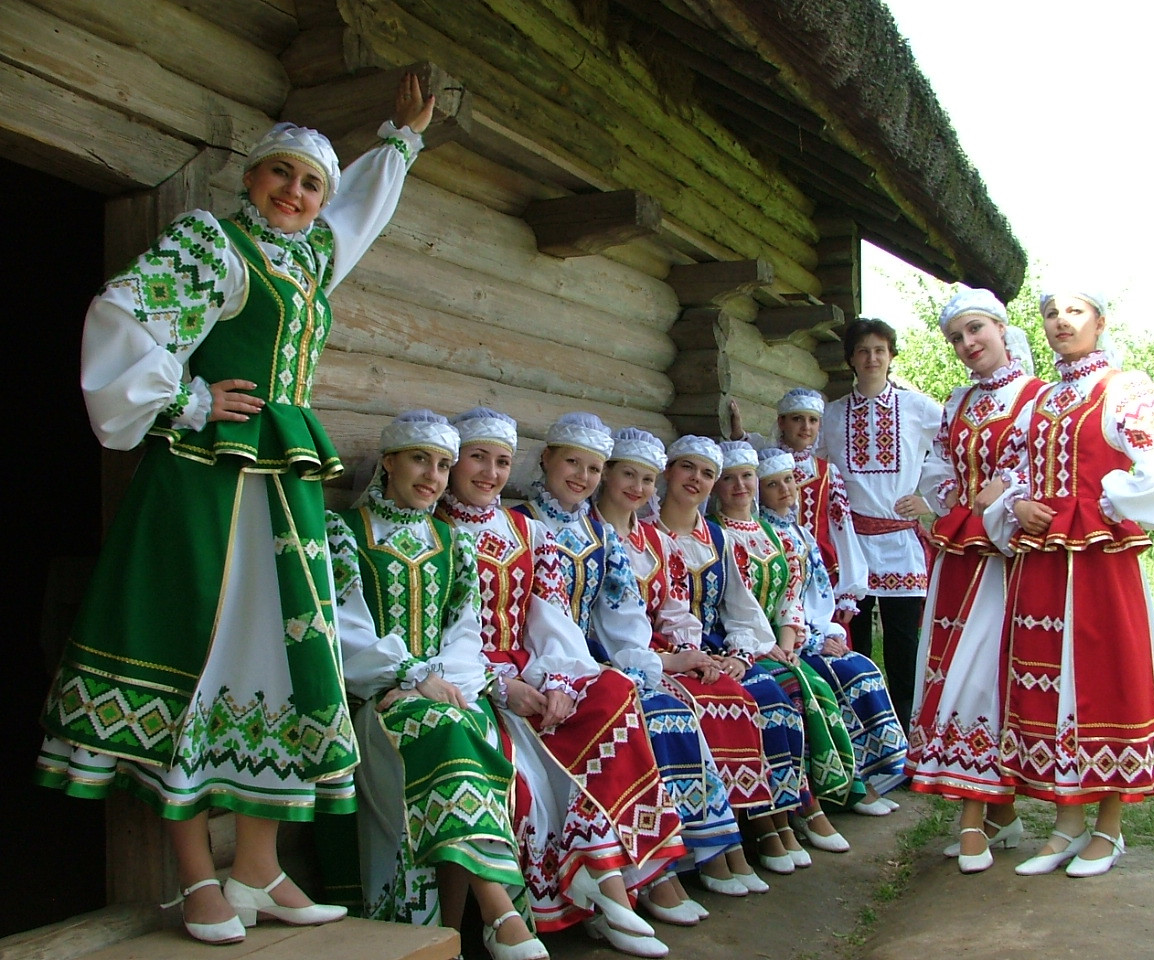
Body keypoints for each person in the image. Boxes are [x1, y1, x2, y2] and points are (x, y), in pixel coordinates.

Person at [35, 75, 436, 945]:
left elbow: (359, 212)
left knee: (283, 656)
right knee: (192, 651)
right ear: (250, 178)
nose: (295, 194)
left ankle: (256, 867)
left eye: (311, 184)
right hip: (204, 482)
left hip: (282, 487)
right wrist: (186, 396)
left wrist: (400, 142)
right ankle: (193, 882)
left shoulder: (315, 254)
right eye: (281, 175)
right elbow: (119, 318)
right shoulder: (209, 245)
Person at [436, 408, 681, 958]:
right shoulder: (438, 531)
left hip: (529, 663)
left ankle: (605, 876)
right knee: (521, 761)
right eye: (477, 458)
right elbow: (444, 628)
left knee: (613, 691)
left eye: (501, 461)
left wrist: (561, 680)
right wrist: (503, 685)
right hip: (468, 674)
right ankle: (594, 882)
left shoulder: (530, 532)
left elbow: (548, 617)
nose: (490, 473)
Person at [991, 289, 1154, 877]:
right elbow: (1013, 468)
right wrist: (1019, 503)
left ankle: (1109, 829)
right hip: (1045, 560)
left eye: (1075, 312)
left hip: (1099, 559)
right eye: (1052, 314)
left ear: (1100, 322)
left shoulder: (1121, 387)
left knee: (1103, 678)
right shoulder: (1041, 396)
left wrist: (1117, 498)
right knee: (1046, 683)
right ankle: (1066, 824)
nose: (1061, 322)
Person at [324, 410, 546, 960]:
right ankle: (499, 912)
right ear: (389, 462)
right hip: (373, 698)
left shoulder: (453, 544)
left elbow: (464, 634)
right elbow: (345, 628)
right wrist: (409, 676)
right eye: (420, 459)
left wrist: (439, 682)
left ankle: (451, 933)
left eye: (444, 465)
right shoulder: (347, 535)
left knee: (458, 725)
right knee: (447, 732)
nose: (432, 476)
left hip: (439, 696)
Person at [517, 414, 737, 931]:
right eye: (573, 461)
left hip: (589, 663)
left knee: (664, 707)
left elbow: (622, 616)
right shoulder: (520, 522)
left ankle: (658, 867)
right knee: (638, 715)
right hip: (532, 666)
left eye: (592, 467)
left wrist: (644, 663)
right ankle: (636, 878)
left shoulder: (599, 533)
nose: (582, 476)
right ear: (546, 458)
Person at [594, 427, 775, 898]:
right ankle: (698, 853)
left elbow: (673, 606)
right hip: (611, 658)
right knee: (676, 712)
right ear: (607, 475)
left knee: (731, 693)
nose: (637, 487)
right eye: (627, 476)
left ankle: (734, 841)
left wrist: (694, 650)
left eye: (645, 479)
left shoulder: (650, 541)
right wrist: (673, 659)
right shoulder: (594, 536)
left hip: (656, 652)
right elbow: (609, 623)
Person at [905, 288, 1043, 873]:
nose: (968, 344)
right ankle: (1000, 816)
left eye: (976, 329)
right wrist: (940, 503)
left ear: (1003, 328)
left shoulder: (1039, 397)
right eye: (957, 337)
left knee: (982, 673)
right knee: (950, 665)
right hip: (960, 552)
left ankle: (973, 821)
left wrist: (1007, 486)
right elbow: (939, 466)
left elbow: (1049, 462)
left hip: (1006, 555)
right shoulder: (957, 402)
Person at [656, 436, 818, 882]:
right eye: (688, 468)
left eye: (708, 473)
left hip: (717, 649)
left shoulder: (717, 538)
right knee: (733, 701)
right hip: (668, 653)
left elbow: (742, 609)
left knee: (771, 693)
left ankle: (777, 819)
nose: (697, 480)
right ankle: (735, 838)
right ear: (668, 472)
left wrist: (742, 656)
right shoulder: (649, 535)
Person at [709, 441, 862, 863]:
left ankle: (822, 797)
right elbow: (727, 606)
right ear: (717, 488)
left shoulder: (771, 532)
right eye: (729, 478)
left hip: (777, 643)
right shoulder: (717, 534)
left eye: (746, 476)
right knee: (795, 690)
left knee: (809, 680)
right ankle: (797, 808)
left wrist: (790, 643)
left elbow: (790, 597)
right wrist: (767, 646)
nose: (740, 485)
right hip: (734, 641)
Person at [755, 447, 909, 821]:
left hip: (806, 632)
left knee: (861, 668)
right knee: (833, 680)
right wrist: (808, 639)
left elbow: (818, 592)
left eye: (789, 481)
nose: (784, 490)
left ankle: (869, 774)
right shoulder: (759, 533)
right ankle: (850, 785)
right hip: (778, 640)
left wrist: (828, 630)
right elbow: (770, 604)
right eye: (772, 485)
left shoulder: (800, 533)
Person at [818, 319, 943, 729]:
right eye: (862, 351)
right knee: (857, 644)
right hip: (852, 544)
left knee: (904, 643)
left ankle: (907, 730)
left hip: (900, 541)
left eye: (880, 350)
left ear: (891, 356)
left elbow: (955, 453)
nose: (872, 358)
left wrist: (929, 499)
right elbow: (802, 459)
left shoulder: (919, 408)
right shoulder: (832, 415)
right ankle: (868, 732)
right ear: (851, 359)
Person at [727, 388, 869, 630]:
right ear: (781, 421)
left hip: (817, 568)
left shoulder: (827, 472)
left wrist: (850, 586)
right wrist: (738, 432)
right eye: (797, 419)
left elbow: (842, 528)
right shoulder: (761, 462)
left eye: (813, 420)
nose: (806, 427)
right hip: (770, 567)